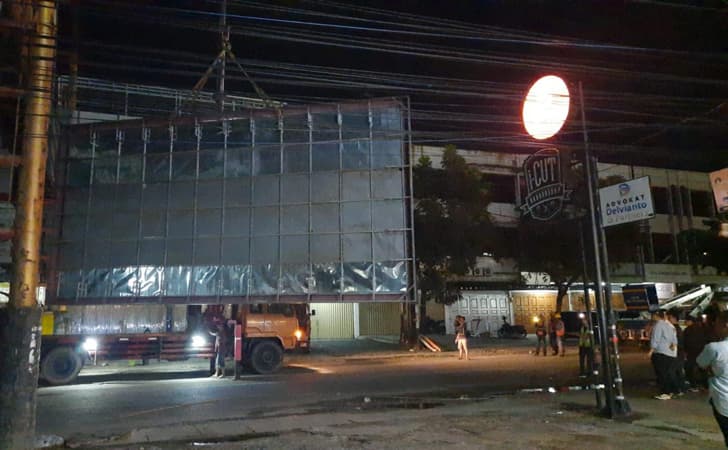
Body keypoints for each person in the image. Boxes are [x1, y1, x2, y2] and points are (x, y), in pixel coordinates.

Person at [697, 310, 728, 447]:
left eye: (717, 324)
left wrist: (712, 371)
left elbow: (700, 365)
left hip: (724, 402)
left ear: (725, 325)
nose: (714, 327)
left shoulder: (714, 348)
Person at [649, 310, 680, 400]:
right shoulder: (670, 325)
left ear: (656, 316)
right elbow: (674, 339)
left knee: (661, 374)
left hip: (661, 352)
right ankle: (672, 391)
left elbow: (656, 338)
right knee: (668, 373)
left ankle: (665, 392)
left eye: (652, 315)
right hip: (670, 353)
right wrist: (673, 346)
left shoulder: (658, 325)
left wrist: (651, 350)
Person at [684, 315, 709, 390]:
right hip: (701, 351)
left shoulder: (688, 330)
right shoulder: (702, 329)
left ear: (690, 321)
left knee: (689, 369)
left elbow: (685, 341)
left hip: (691, 352)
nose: (685, 322)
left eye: (686, 321)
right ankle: (705, 385)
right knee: (702, 369)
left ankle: (693, 385)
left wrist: (685, 351)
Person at [667, 309, 687, 394]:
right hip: (679, 352)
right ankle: (681, 389)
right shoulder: (678, 328)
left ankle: (677, 389)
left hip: (676, 353)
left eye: (669, 318)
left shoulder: (674, 328)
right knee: (678, 371)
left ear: (673, 318)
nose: (668, 319)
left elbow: (675, 342)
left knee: (672, 371)